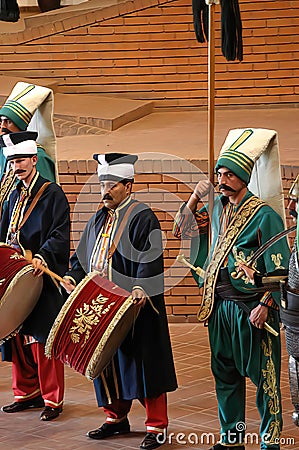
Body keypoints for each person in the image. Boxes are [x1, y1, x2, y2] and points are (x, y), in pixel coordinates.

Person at [173, 128, 290, 450]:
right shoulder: (215, 207)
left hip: (251, 309)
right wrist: (196, 195)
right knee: (225, 378)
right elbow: (179, 227)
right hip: (218, 307)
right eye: (218, 174)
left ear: (243, 178)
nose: (222, 180)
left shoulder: (265, 215)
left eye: (229, 175)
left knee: (264, 379)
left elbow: (280, 267)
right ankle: (232, 438)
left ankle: (270, 441)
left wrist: (266, 303)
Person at [61, 153, 177, 450]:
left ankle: (156, 426)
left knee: (144, 366)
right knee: (106, 363)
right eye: (102, 184)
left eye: (112, 184)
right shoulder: (98, 217)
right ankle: (115, 418)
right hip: (102, 307)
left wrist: (140, 286)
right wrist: (73, 276)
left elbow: (150, 259)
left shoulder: (142, 216)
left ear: (128, 185)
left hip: (136, 308)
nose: (105, 190)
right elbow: (81, 257)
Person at [0, 133, 70, 421]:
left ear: (34, 159)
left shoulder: (52, 193)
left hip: (40, 273)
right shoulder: (11, 194)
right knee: (15, 334)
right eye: (13, 161)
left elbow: (60, 232)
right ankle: (26, 393)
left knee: (42, 340)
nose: (18, 166)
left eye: (21, 160)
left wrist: (42, 256)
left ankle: (52, 400)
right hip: (13, 272)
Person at [0, 81, 57, 216]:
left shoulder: (39, 156)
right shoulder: (3, 152)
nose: (2, 126)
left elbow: (45, 201)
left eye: (8, 121)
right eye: (0, 121)